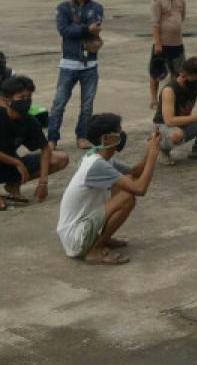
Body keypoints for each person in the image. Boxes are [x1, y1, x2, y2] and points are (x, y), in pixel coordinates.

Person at [56, 113, 159, 266]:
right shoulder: (97, 165)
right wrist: (153, 155)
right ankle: (94, 250)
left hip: (78, 231)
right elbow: (140, 188)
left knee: (124, 183)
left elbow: (134, 173)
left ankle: (101, 239)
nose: (122, 134)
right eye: (118, 131)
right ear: (106, 138)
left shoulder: (100, 158)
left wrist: (150, 147)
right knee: (127, 197)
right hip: (76, 238)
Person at [0, 76, 69, 211]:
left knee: (61, 158)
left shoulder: (30, 121)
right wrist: (17, 162)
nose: (26, 101)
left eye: (29, 97)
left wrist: (43, 182)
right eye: (21, 98)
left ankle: (13, 184)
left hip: (12, 167)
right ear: (7, 99)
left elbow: (45, 149)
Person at [49, 0, 103, 149]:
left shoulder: (96, 7)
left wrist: (80, 29)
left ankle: (82, 136)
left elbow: (95, 28)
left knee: (87, 105)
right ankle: (52, 139)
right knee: (59, 103)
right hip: (68, 64)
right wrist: (87, 29)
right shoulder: (63, 8)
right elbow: (64, 31)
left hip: (90, 64)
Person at [153, 57, 197, 165]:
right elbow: (169, 121)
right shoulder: (170, 90)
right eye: (196, 78)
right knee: (176, 135)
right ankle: (162, 150)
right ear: (184, 75)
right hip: (164, 126)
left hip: (183, 123)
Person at [149, 0, 187, 110]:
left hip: (177, 43)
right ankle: (154, 100)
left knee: (178, 73)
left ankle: (171, 97)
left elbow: (182, 17)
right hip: (162, 44)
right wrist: (157, 43)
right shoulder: (158, 1)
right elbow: (155, 24)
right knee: (156, 73)